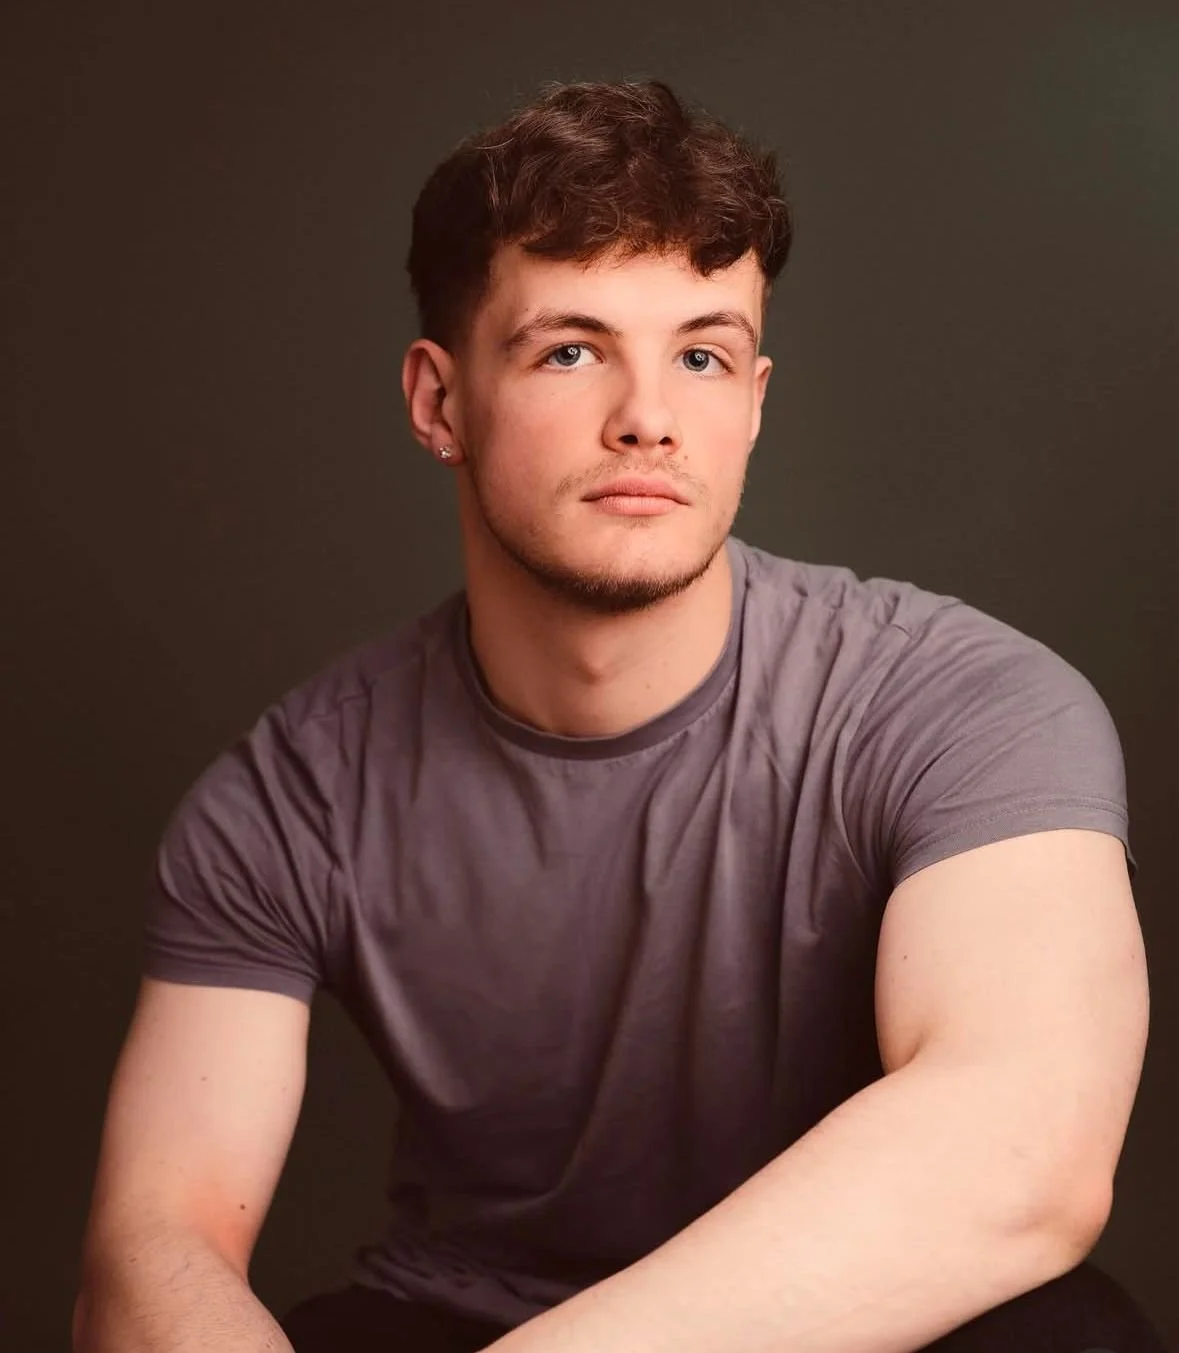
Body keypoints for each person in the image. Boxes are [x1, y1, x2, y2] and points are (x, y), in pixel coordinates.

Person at [72, 78, 1165, 1353]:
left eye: (702, 355)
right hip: (455, 1317)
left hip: (871, 1314)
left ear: (754, 400)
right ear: (439, 403)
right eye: (571, 350)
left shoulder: (969, 707)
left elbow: (1024, 1156)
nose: (648, 418)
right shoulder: (291, 795)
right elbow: (153, 1244)